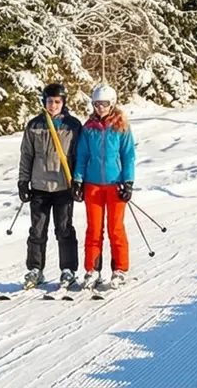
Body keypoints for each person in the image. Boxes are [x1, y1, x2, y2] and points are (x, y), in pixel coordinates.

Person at [16, 83, 84, 291]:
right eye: (49, 101)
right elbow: (26, 154)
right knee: (37, 231)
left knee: (64, 229)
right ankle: (36, 269)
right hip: (39, 186)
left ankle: (68, 269)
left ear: (63, 103)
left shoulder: (72, 125)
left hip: (63, 186)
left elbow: (80, 155)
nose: (53, 105)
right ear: (43, 102)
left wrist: (80, 181)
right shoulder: (34, 125)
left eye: (57, 102)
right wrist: (23, 180)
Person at [71, 84, 136, 292]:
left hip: (115, 184)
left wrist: (128, 181)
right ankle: (92, 269)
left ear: (112, 104)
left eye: (104, 104)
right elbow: (82, 155)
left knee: (115, 228)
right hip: (93, 185)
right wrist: (78, 180)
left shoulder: (121, 126)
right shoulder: (88, 127)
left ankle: (120, 269)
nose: (100, 108)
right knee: (93, 229)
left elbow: (128, 156)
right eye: (97, 104)